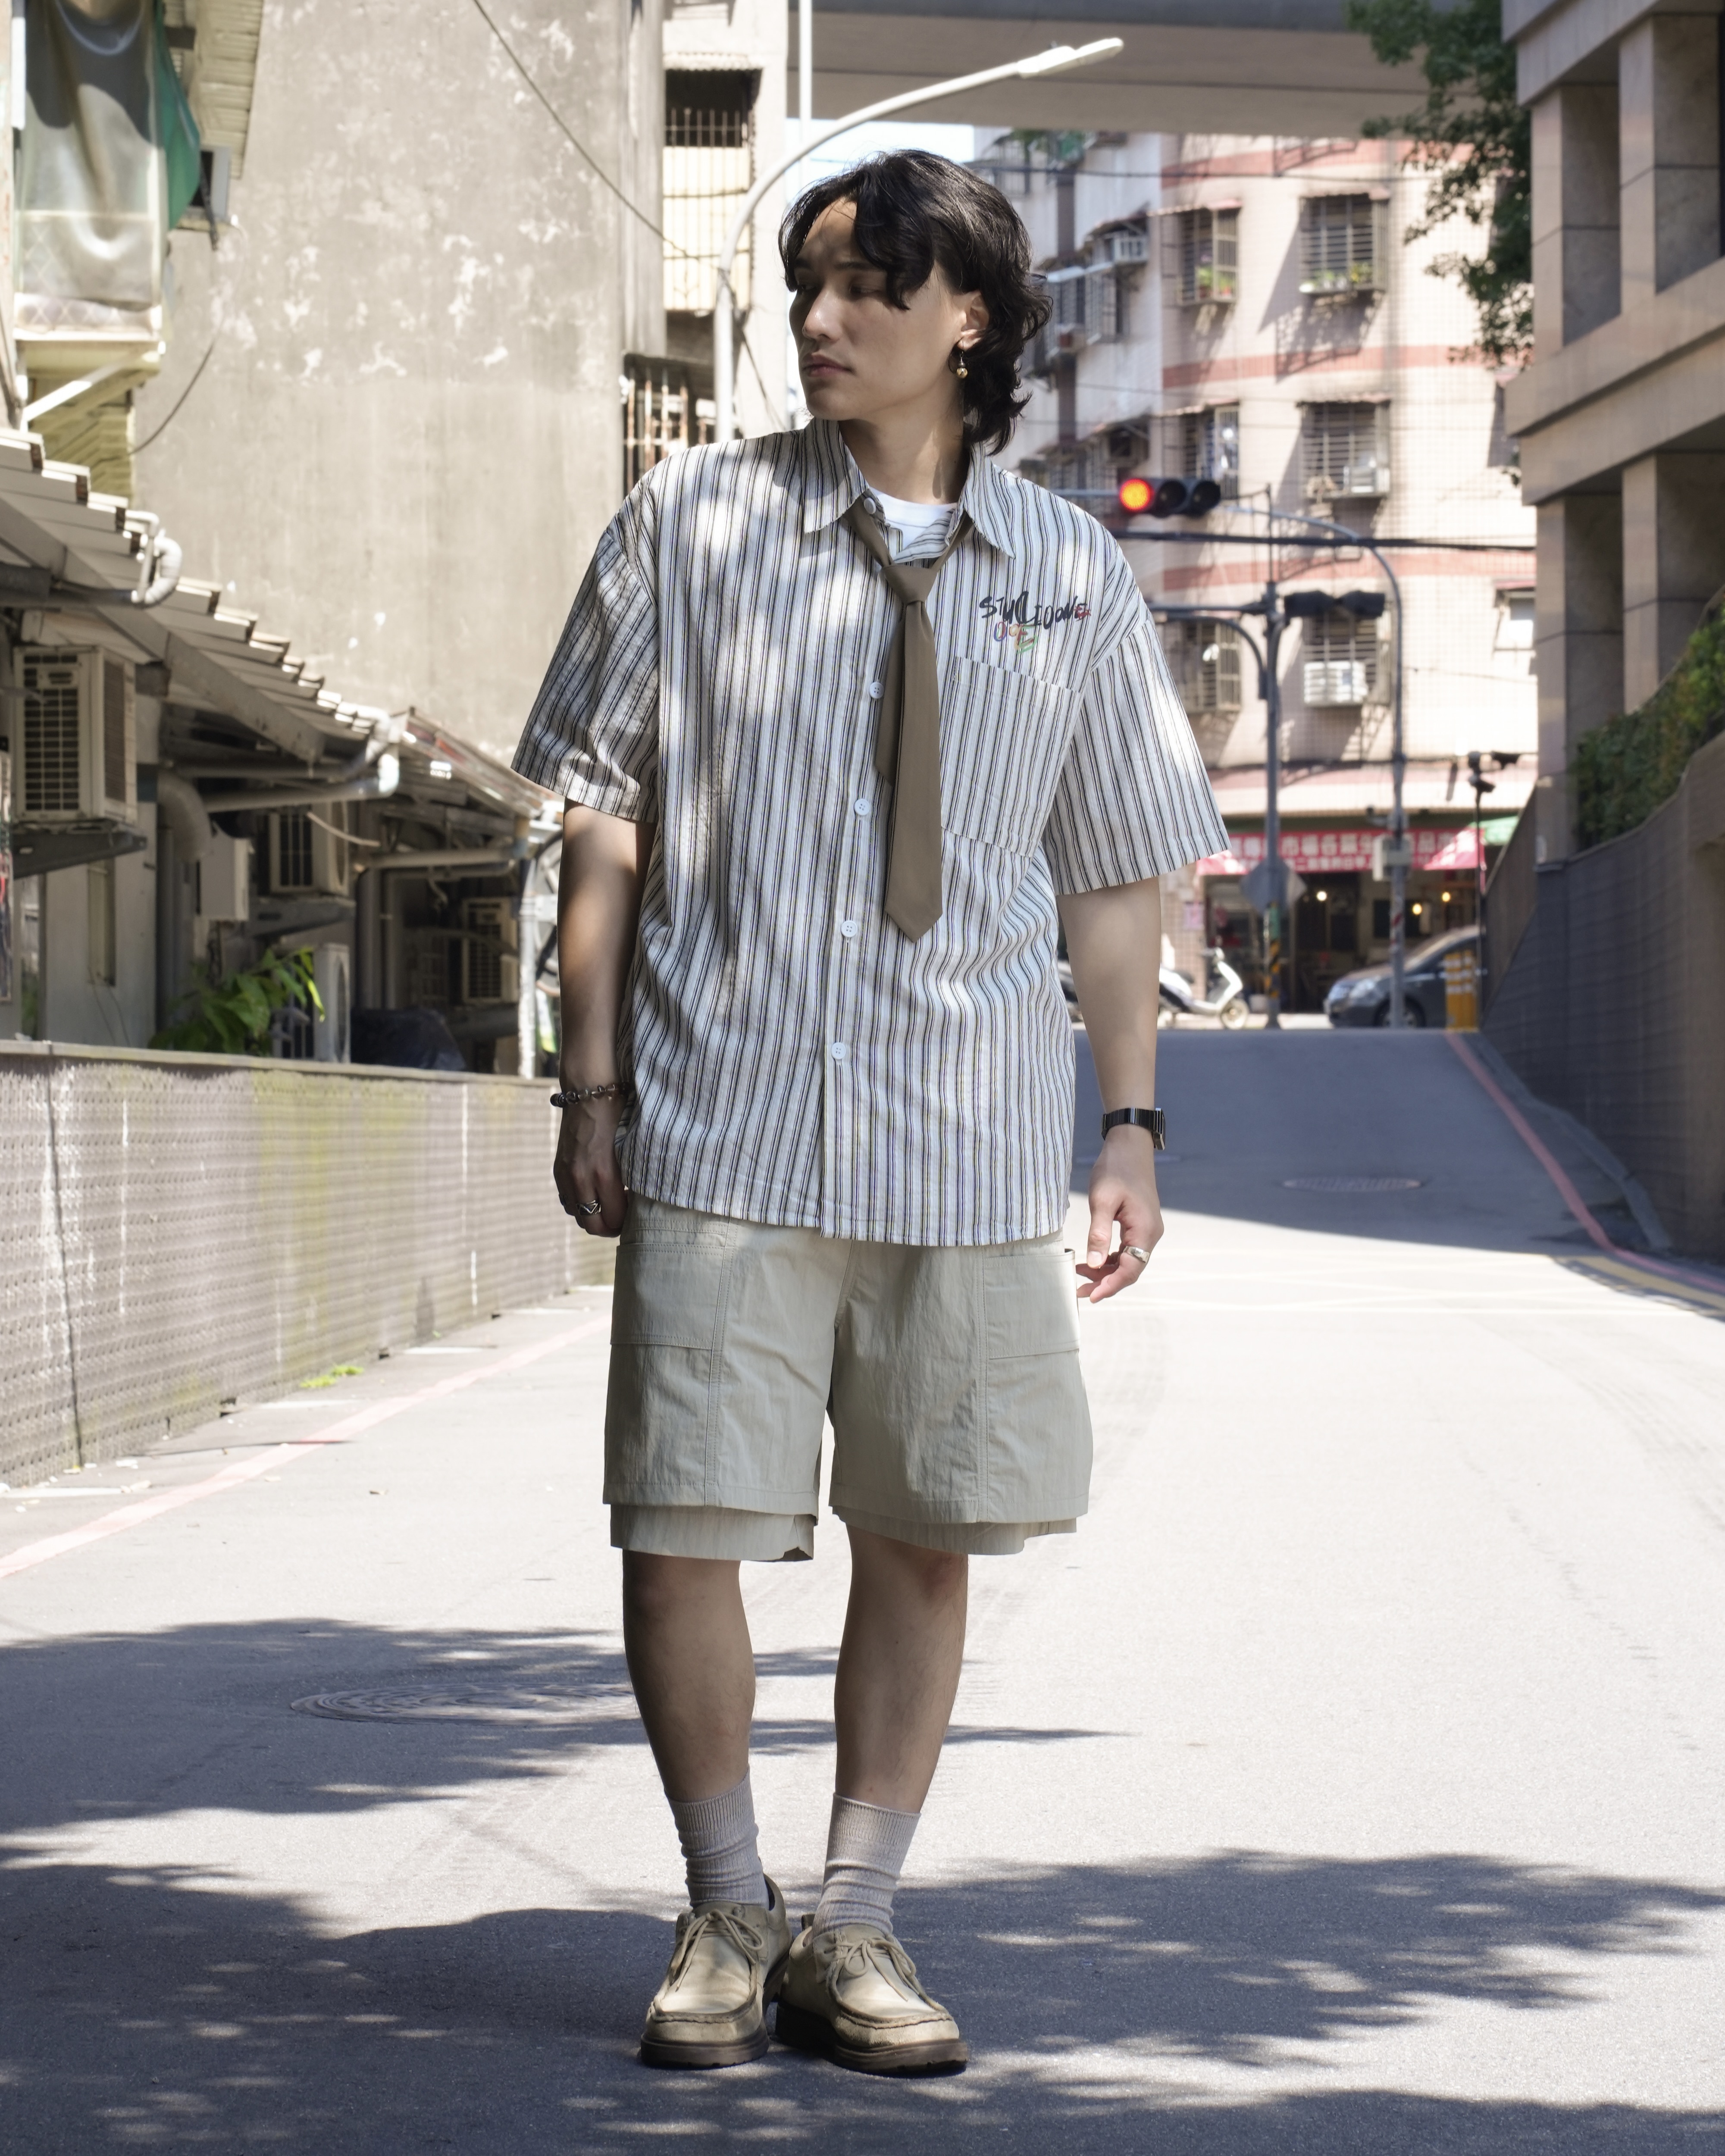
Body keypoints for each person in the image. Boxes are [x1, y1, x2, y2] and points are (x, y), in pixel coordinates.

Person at [513, 150, 1226, 2077]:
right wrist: (588, 1078)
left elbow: (1112, 879)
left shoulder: (1067, 571)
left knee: (926, 1534)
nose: (820, 322)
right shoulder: (689, 526)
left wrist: (1130, 1127)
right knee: (682, 1527)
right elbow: (602, 822)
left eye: (868, 290)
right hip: (721, 1116)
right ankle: (723, 1906)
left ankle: (854, 1920)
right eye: (807, 287)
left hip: (961, 1139)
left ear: (968, 320)